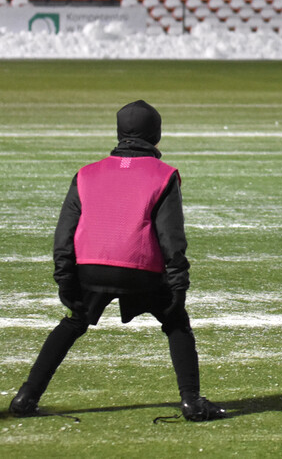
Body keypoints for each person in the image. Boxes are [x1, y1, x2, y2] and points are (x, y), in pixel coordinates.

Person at [7, 101, 225, 421]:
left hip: (90, 269)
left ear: (119, 133)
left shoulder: (86, 174)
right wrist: (178, 285)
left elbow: (64, 235)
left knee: (71, 322)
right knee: (176, 323)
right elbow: (171, 237)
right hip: (141, 270)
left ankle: (25, 398)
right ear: (156, 135)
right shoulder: (164, 176)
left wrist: (66, 281)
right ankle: (191, 401)